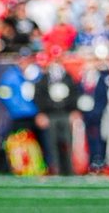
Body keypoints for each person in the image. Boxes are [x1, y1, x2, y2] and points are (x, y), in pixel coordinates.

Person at [33, 47, 81, 175]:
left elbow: (75, 94)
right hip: (50, 115)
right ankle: (56, 169)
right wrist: (41, 113)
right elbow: (38, 96)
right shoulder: (43, 79)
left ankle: (70, 170)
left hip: (65, 113)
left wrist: (74, 110)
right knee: (52, 143)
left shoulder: (68, 77)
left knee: (68, 142)